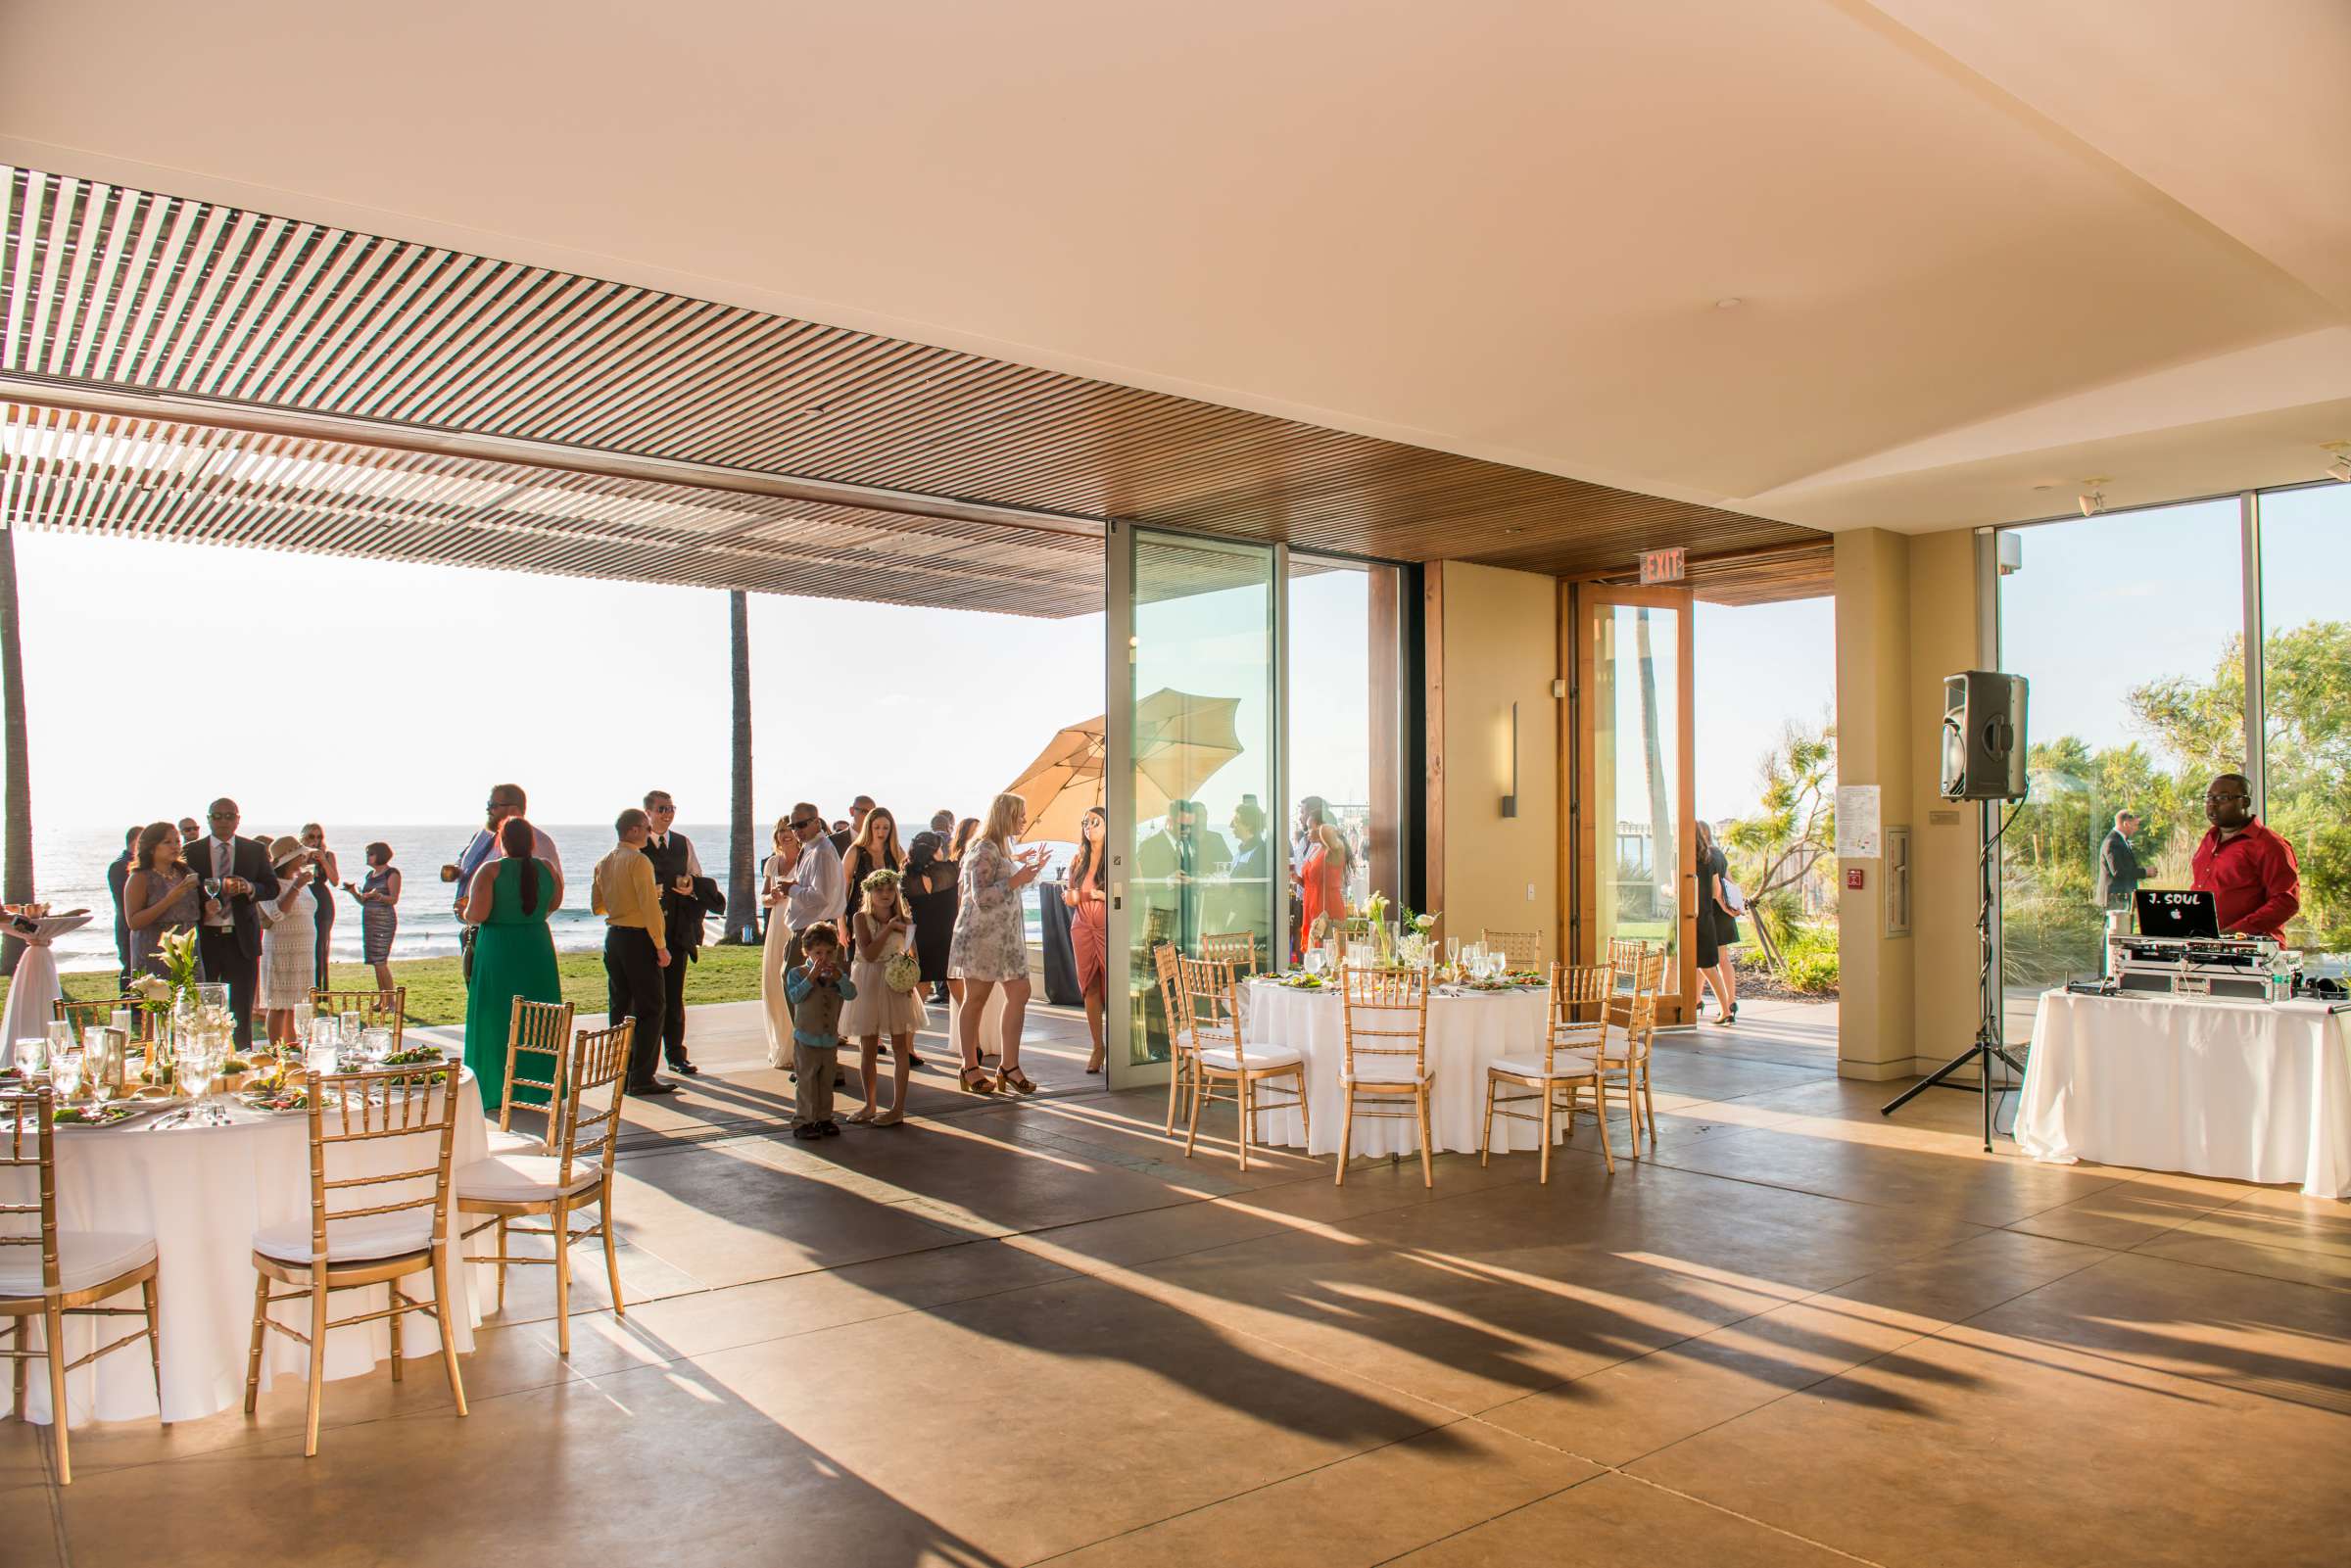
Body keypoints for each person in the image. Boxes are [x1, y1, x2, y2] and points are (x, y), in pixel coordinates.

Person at [461, 815, 565, 1114]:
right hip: (536, 946)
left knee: (495, 1016)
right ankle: (540, 1083)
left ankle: (495, 1086)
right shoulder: (546, 868)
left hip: (499, 948)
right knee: (539, 1014)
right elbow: (552, 904)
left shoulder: (490, 870)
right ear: (531, 842)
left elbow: (477, 914)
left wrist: (465, 909)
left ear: (501, 841)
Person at [949, 792, 1049, 1096]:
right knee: (976, 999)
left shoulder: (1003, 848)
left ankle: (1009, 1065)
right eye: (1019, 814)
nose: (1023, 820)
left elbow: (1008, 887)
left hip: (1005, 939)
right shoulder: (983, 849)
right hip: (982, 938)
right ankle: (969, 1067)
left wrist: (1030, 872)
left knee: (1020, 992)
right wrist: (1017, 879)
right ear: (1004, 815)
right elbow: (980, 897)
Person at [183, 799, 280, 1050]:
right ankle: (205, 1055)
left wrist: (248, 887)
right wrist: (204, 903)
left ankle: (241, 1058)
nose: (223, 821)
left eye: (229, 816)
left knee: (241, 1007)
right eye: (217, 816)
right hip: (206, 937)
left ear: (238, 819)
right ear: (208, 819)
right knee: (203, 1005)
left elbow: (271, 887)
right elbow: (182, 892)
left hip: (242, 938)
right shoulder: (192, 851)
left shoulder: (254, 850)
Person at [443, 784, 561, 980]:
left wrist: (514, 919)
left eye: (493, 805)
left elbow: (550, 895)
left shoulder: (539, 842)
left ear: (514, 809)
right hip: (476, 932)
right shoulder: (482, 835)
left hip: (504, 934)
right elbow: (466, 861)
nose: (488, 809)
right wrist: (457, 870)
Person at [593, 808, 673, 1095]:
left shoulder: (604, 862)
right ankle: (642, 1076)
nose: (651, 833)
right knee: (652, 1007)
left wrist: (620, 899)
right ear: (634, 830)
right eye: (647, 828)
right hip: (638, 938)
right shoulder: (638, 862)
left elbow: (597, 905)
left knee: (620, 1005)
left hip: (613, 936)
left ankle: (621, 1071)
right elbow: (650, 908)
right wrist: (661, 946)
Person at [643, 789, 723, 1077]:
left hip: (677, 931)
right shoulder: (637, 845)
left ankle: (676, 1055)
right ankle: (642, 1064)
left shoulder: (682, 843)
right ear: (648, 812)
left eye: (671, 808)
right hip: (644, 934)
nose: (667, 813)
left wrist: (690, 886)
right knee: (647, 1000)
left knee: (673, 996)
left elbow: (697, 876)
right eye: (662, 808)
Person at [841, 868, 927, 1124]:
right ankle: (869, 1104)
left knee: (900, 1045)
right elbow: (867, 953)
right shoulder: (860, 918)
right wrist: (889, 928)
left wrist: (909, 976)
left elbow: (913, 954)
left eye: (890, 889)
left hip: (894, 983)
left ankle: (897, 1108)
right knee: (868, 1045)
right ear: (870, 892)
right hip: (868, 981)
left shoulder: (906, 919)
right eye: (880, 889)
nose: (886, 894)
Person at [768, 802, 845, 1067]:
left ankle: (816, 1059)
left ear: (816, 822)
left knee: (805, 993)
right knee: (806, 993)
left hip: (812, 931)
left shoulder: (822, 852)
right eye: (792, 825)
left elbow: (821, 897)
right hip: (804, 928)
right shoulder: (811, 849)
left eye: (801, 824)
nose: (796, 830)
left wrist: (792, 890)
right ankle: (816, 1058)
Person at [2189, 774, 2299, 939]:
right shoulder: (2209, 839)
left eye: (2223, 798)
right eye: (2210, 797)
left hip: (2252, 951)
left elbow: (2285, 902)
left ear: (2245, 802)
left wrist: (2235, 933)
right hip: (2206, 946)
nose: (2213, 803)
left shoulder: (2270, 845)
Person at [785, 925, 854, 1139]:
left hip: (828, 1040)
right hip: (806, 1038)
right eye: (818, 953)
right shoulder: (798, 973)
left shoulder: (836, 975)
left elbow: (851, 993)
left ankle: (825, 1117)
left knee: (826, 1081)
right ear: (807, 952)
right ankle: (803, 1120)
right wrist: (811, 977)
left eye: (829, 953)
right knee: (806, 1081)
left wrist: (839, 977)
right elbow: (795, 996)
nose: (823, 958)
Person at [254, 836, 316, 1046]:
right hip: (281, 947)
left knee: (296, 1004)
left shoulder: (301, 879)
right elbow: (276, 914)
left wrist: (299, 883)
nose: (304, 857)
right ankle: (275, 1049)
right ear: (289, 859)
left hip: (303, 950)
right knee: (279, 1003)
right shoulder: (271, 884)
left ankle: (292, 1047)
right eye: (300, 855)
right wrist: (297, 886)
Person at [123, 822, 202, 979]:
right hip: (154, 952)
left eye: (177, 842)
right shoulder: (140, 877)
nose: (175, 846)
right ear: (151, 847)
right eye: (167, 842)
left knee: (190, 1001)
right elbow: (133, 922)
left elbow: (192, 911)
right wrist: (169, 900)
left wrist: (210, 907)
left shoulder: (185, 872)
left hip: (188, 951)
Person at [1063, 805, 1109, 1073]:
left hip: (1109, 929)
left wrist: (1098, 897)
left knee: (1114, 988)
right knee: (1090, 987)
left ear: (1106, 825)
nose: (1089, 827)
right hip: (1082, 928)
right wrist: (1090, 896)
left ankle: (1119, 1047)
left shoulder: (1118, 857)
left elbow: (1131, 892)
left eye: (1095, 822)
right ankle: (1097, 1046)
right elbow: (1070, 897)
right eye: (1085, 823)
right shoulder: (1077, 859)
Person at [341, 843, 402, 1004]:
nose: (368, 857)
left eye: (371, 854)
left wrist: (378, 896)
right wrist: (353, 891)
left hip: (384, 920)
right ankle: (383, 999)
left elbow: (394, 899)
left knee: (381, 961)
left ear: (380, 855)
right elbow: (364, 901)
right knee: (376, 962)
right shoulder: (370, 875)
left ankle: (391, 1002)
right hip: (369, 920)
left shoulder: (392, 873)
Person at [905, 826, 958, 1006]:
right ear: (936, 851)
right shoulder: (951, 870)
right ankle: (968, 1035)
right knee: (960, 997)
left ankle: (908, 1034)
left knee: (919, 995)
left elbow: (902, 912)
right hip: (949, 937)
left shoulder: (906, 876)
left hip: (921, 939)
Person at [1693, 820, 1739, 1023]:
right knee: (1714, 958)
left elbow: (1716, 891)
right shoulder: (1719, 854)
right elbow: (1729, 881)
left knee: (1711, 958)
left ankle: (1719, 1004)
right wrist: (1732, 907)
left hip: (1713, 910)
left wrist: (1722, 905)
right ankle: (1728, 1001)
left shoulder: (1705, 856)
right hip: (1724, 911)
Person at [1291, 803, 1349, 962]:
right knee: (1314, 961)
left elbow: (1327, 831)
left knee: (1330, 963)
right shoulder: (1316, 849)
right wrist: (1298, 880)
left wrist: (1321, 828)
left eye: (1310, 827)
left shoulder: (1334, 849)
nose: (1307, 831)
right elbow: (1313, 883)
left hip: (1328, 913)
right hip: (1312, 912)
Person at [301, 824, 339, 991]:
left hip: (322, 900)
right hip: (302, 899)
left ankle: (319, 989)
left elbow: (335, 881)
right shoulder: (297, 854)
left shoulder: (328, 855)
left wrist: (323, 860)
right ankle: (304, 986)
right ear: (304, 837)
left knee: (320, 944)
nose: (315, 840)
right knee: (303, 943)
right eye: (311, 836)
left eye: (319, 837)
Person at [2094, 809, 2145, 917]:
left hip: (2121, 897)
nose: (2136, 829)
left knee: (2123, 931)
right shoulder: (2112, 842)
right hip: (2115, 898)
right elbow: (2118, 871)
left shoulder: (2120, 841)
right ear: (2126, 824)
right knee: (2115, 931)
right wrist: (2144, 872)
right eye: (2135, 825)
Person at [107, 826, 137, 988]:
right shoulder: (119, 866)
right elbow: (123, 902)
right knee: (130, 968)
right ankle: (126, 1006)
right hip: (128, 927)